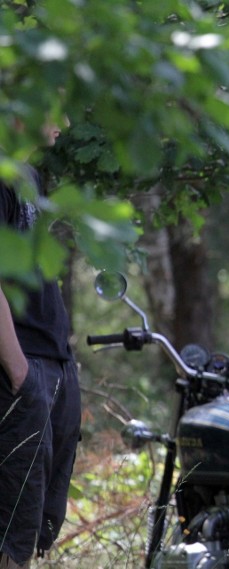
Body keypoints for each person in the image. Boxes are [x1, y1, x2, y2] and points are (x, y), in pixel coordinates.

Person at [1, 122, 81, 569]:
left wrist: (64, 368)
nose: (65, 124)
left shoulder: (27, 175)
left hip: (51, 366)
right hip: (21, 370)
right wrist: (19, 372)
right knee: (12, 529)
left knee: (36, 526)